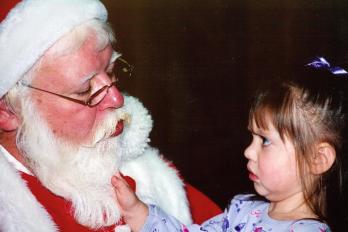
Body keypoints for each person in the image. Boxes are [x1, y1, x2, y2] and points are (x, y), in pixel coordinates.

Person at [0, 0, 221, 231]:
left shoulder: (152, 178)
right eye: (85, 91)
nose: (117, 99)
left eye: (111, 72)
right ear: (7, 110)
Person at [112, 57, 347, 231]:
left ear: (318, 159)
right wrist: (139, 212)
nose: (248, 151)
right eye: (252, 137)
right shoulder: (241, 210)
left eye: (265, 140)